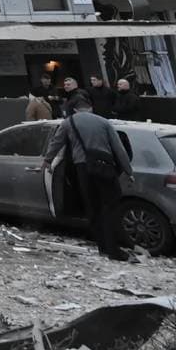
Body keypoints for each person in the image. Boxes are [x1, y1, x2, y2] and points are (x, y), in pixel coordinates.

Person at [44, 92, 134, 261]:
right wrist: (128, 171)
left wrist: (48, 160)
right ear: (90, 108)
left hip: (83, 168)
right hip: (106, 168)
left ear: (75, 109)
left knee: (93, 208)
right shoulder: (103, 122)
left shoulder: (68, 122)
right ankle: (114, 249)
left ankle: (103, 247)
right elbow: (118, 148)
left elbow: (56, 142)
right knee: (109, 208)